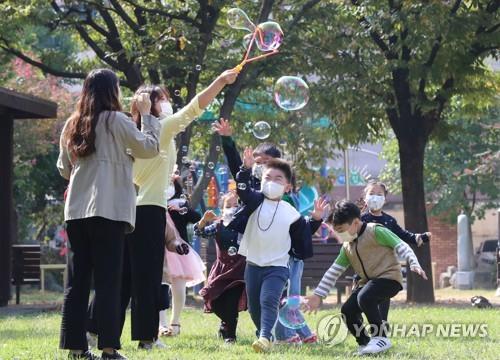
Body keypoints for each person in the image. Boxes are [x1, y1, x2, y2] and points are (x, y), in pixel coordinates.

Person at [87, 69, 238, 350]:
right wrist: (220, 81)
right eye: (163, 99)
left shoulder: (130, 131)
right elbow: (195, 107)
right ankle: (147, 338)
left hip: (126, 210)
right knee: (146, 276)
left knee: (123, 276)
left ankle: (95, 328)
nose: (168, 103)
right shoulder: (162, 127)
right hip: (148, 212)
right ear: (150, 105)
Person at [57, 69, 160, 360]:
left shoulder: (73, 123)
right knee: (108, 281)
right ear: (112, 91)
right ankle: (108, 349)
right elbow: (149, 148)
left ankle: (76, 348)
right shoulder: (117, 120)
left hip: (77, 212)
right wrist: (147, 114)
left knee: (77, 282)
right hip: (110, 211)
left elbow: (63, 169)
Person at [231, 149, 328, 353]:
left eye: (278, 179)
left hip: (278, 266)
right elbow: (242, 188)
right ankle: (265, 333)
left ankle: (265, 338)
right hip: (253, 265)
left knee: (269, 300)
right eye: (268, 177)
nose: (272, 182)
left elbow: (304, 232)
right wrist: (245, 169)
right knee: (255, 308)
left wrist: (317, 219)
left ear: (288, 186)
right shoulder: (254, 201)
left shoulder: (291, 212)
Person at [304, 200, 428, 355]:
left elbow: (401, 245)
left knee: (365, 296)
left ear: (355, 222)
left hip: (389, 279)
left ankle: (381, 338)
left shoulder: (375, 231)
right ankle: (365, 344)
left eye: (341, 229)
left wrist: (413, 262)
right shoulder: (347, 246)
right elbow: (333, 271)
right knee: (347, 310)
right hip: (368, 283)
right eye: (336, 230)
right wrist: (318, 295)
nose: (339, 234)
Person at [360, 180, 432, 321]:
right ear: (365, 198)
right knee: (360, 295)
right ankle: (355, 320)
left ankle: (382, 322)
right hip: (365, 265)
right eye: (372, 193)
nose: (375, 197)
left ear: (385, 199)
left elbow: (403, 235)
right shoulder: (360, 220)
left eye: (379, 194)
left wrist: (419, 237)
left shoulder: (389, 221)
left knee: (383, 294)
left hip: (385, 265)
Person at [194, 191, 247, 344]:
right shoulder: (217, 226)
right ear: (222, 210)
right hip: (221, 270)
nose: (232, 208)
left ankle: (230, 336)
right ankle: (225, 324)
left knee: (231, 302)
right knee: (214, 299)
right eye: (228, 206)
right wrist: (204, 221)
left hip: (239, 270)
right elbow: (200, 232)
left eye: (236, 205)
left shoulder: (244, 225)